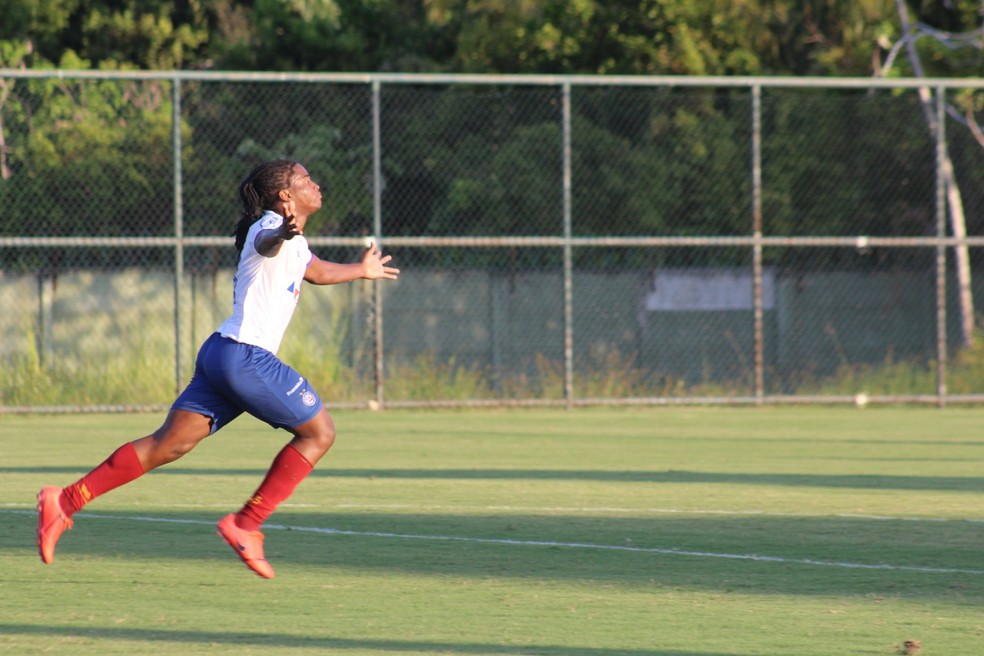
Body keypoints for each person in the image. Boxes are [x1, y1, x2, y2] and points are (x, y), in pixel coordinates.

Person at [36, 159, 399, 579]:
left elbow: (315, 270)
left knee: (166, 445)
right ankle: (246, 524)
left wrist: (361, 270)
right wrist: (282, 231)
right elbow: (267, 242)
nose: (315, 183)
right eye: (305, 179)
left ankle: (62, 501)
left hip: (221, 354)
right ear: (285, 196)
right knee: (320, 433)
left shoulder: (296, 243)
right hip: (246, 356)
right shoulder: (268, 227)